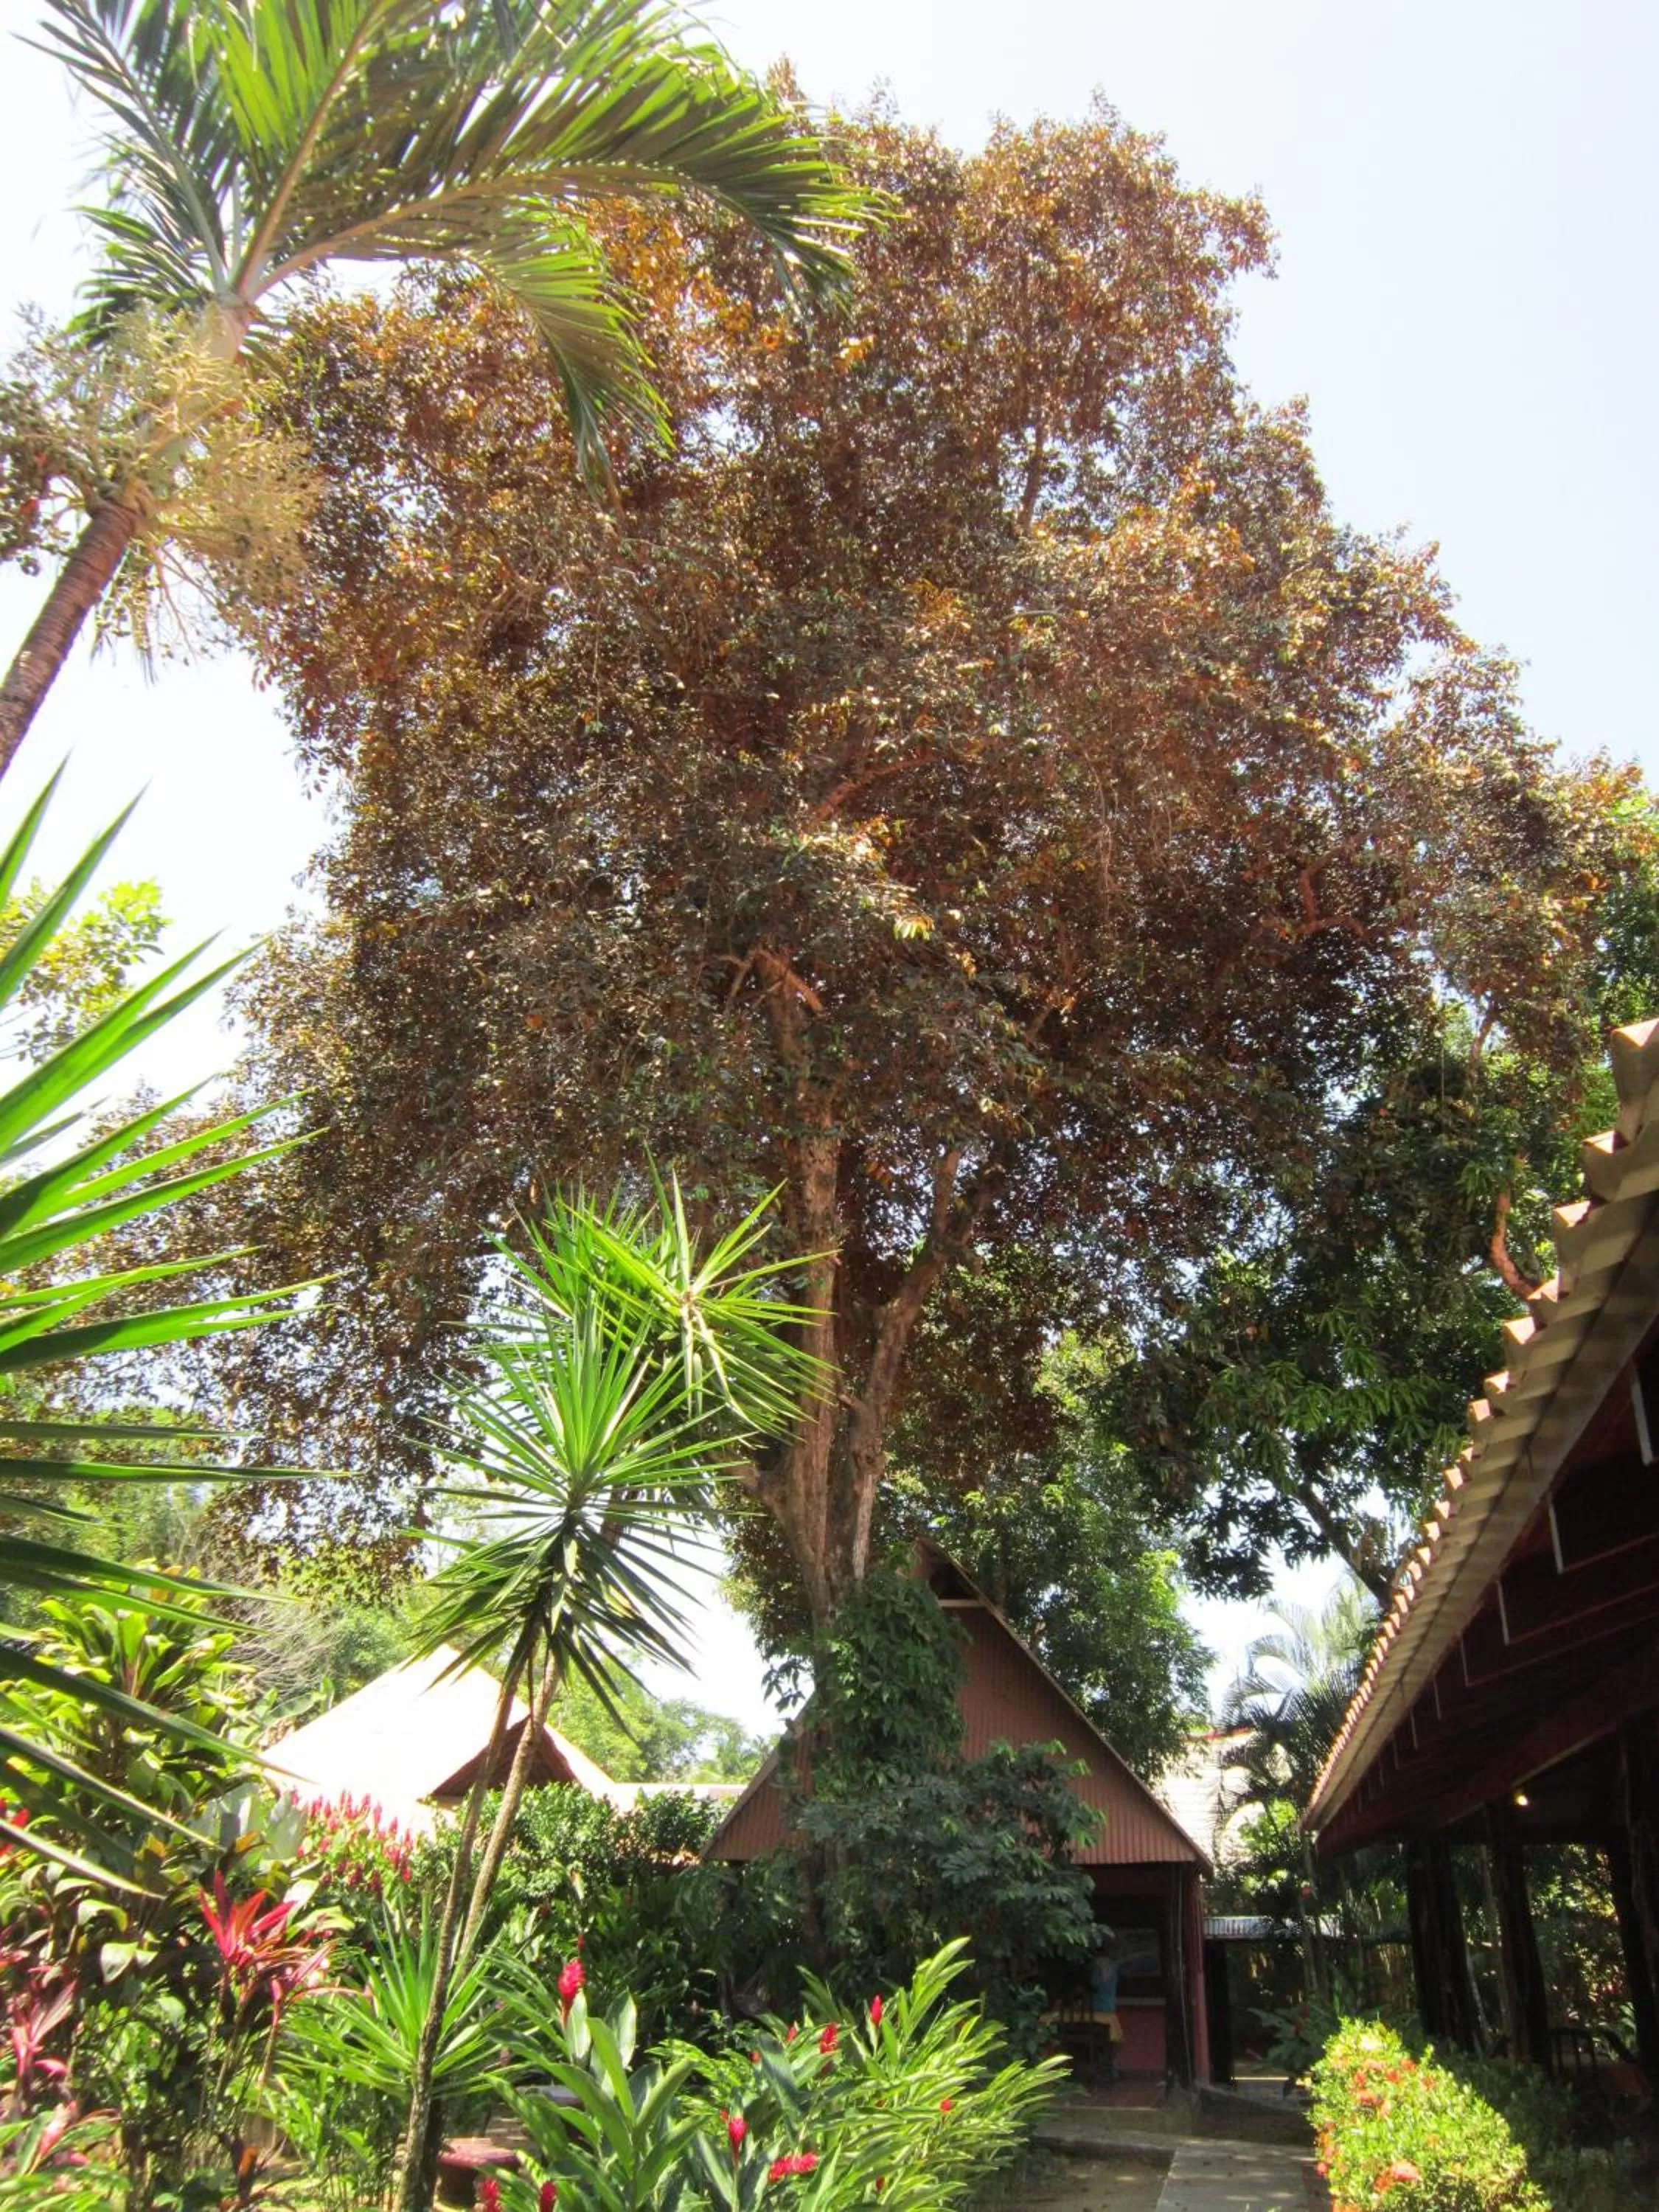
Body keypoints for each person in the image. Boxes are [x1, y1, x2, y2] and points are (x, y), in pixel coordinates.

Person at [1088, 1927, 1125, 2082]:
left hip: (1095, 2010)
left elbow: (1093, 1984)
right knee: (1111, 2041)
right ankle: (1109, 2069)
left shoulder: (1094, 1966)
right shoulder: (1114, 1965)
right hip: (1109, 2009)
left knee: (1099, 2041)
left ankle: (1103, 2068)